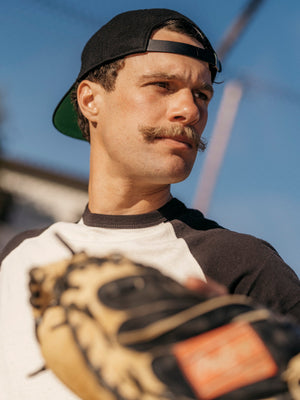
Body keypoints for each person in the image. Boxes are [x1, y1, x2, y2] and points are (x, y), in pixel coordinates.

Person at [0, 8, 299, 400]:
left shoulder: (240, 262)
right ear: (91, 100)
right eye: (162, 84)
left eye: (202, 95)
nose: (191, 111)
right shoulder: (22, 254)